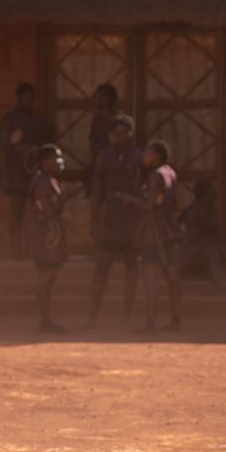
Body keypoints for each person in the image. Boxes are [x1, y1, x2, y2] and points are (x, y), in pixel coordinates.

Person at [87, 114, 143, 327]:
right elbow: (97, 190)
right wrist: (93, 219)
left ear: (132, 133)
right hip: (109, 218)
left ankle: (126, 317)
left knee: (131, 267)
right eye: (117, 133)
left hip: (131, 220)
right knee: (102, 267)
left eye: (125, 132)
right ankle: (92, 317)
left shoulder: (139, 157)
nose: (122, 137)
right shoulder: (104, 157)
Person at [22, 144, 77, 332]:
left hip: (50, 235)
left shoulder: (48, 180)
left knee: (49, 277)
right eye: (57, 158)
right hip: (45, 237)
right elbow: (47, 212)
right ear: (45, 161)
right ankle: (44, 321)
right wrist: (67, 196)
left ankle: (46, 320)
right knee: (46, 276)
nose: (61, 162)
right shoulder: (43, 182)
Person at [0, 82, 47, 258]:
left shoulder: (37, 118)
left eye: (32, 98)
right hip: (16, 173)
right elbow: (2, 148)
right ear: (19, 98)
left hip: (34, 173)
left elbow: (44, 141)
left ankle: (37, 249)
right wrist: (5, 175)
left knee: (39, 212)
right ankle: (15, 250)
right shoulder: (10, 119)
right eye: (26, 97)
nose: (29, 101)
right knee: (16, 213)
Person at [132, 140, 182, 332]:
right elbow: (176, 204)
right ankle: (176, 318)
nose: (144, 156)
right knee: (172, 276)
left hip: (154, 232)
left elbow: (150, 206)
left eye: (147, 153)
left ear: (156, 156)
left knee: (150, 276)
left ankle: (150, 321)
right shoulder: (171, 172)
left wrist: (130, 199)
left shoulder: (156, 175)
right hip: (170, 229)